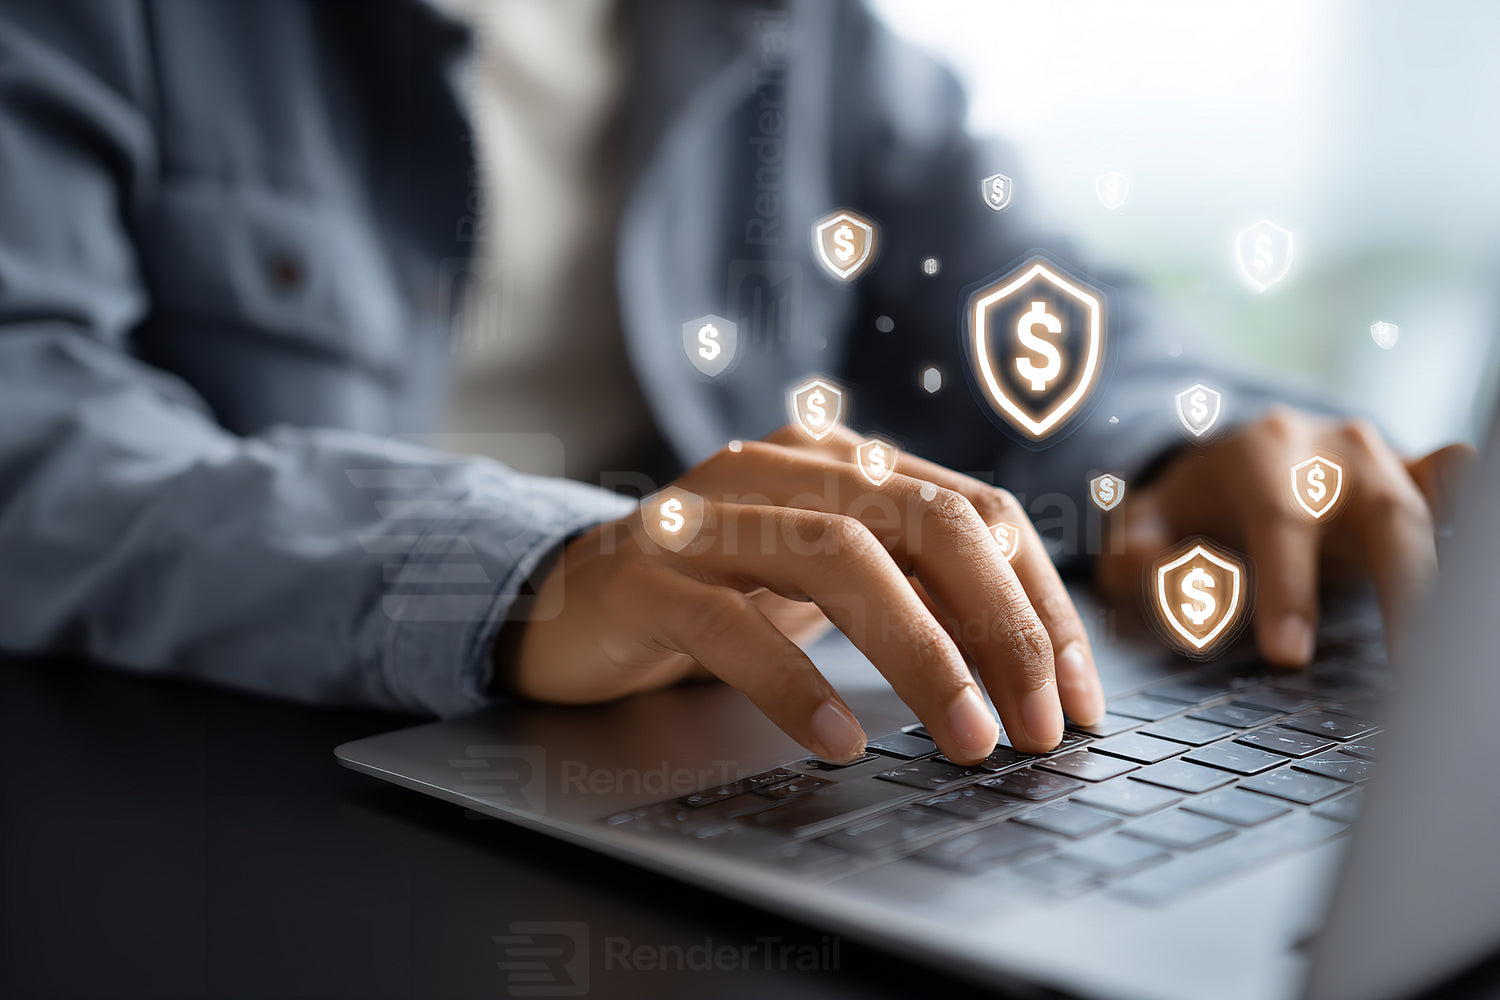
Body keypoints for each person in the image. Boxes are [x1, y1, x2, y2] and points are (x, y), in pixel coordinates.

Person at [0, 0, 1469, 766]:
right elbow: (34, 424)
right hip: (249, 769)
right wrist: (538, 571)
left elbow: (1033, 304)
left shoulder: (802, 30)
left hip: (725, 749)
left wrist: (1170, 447)